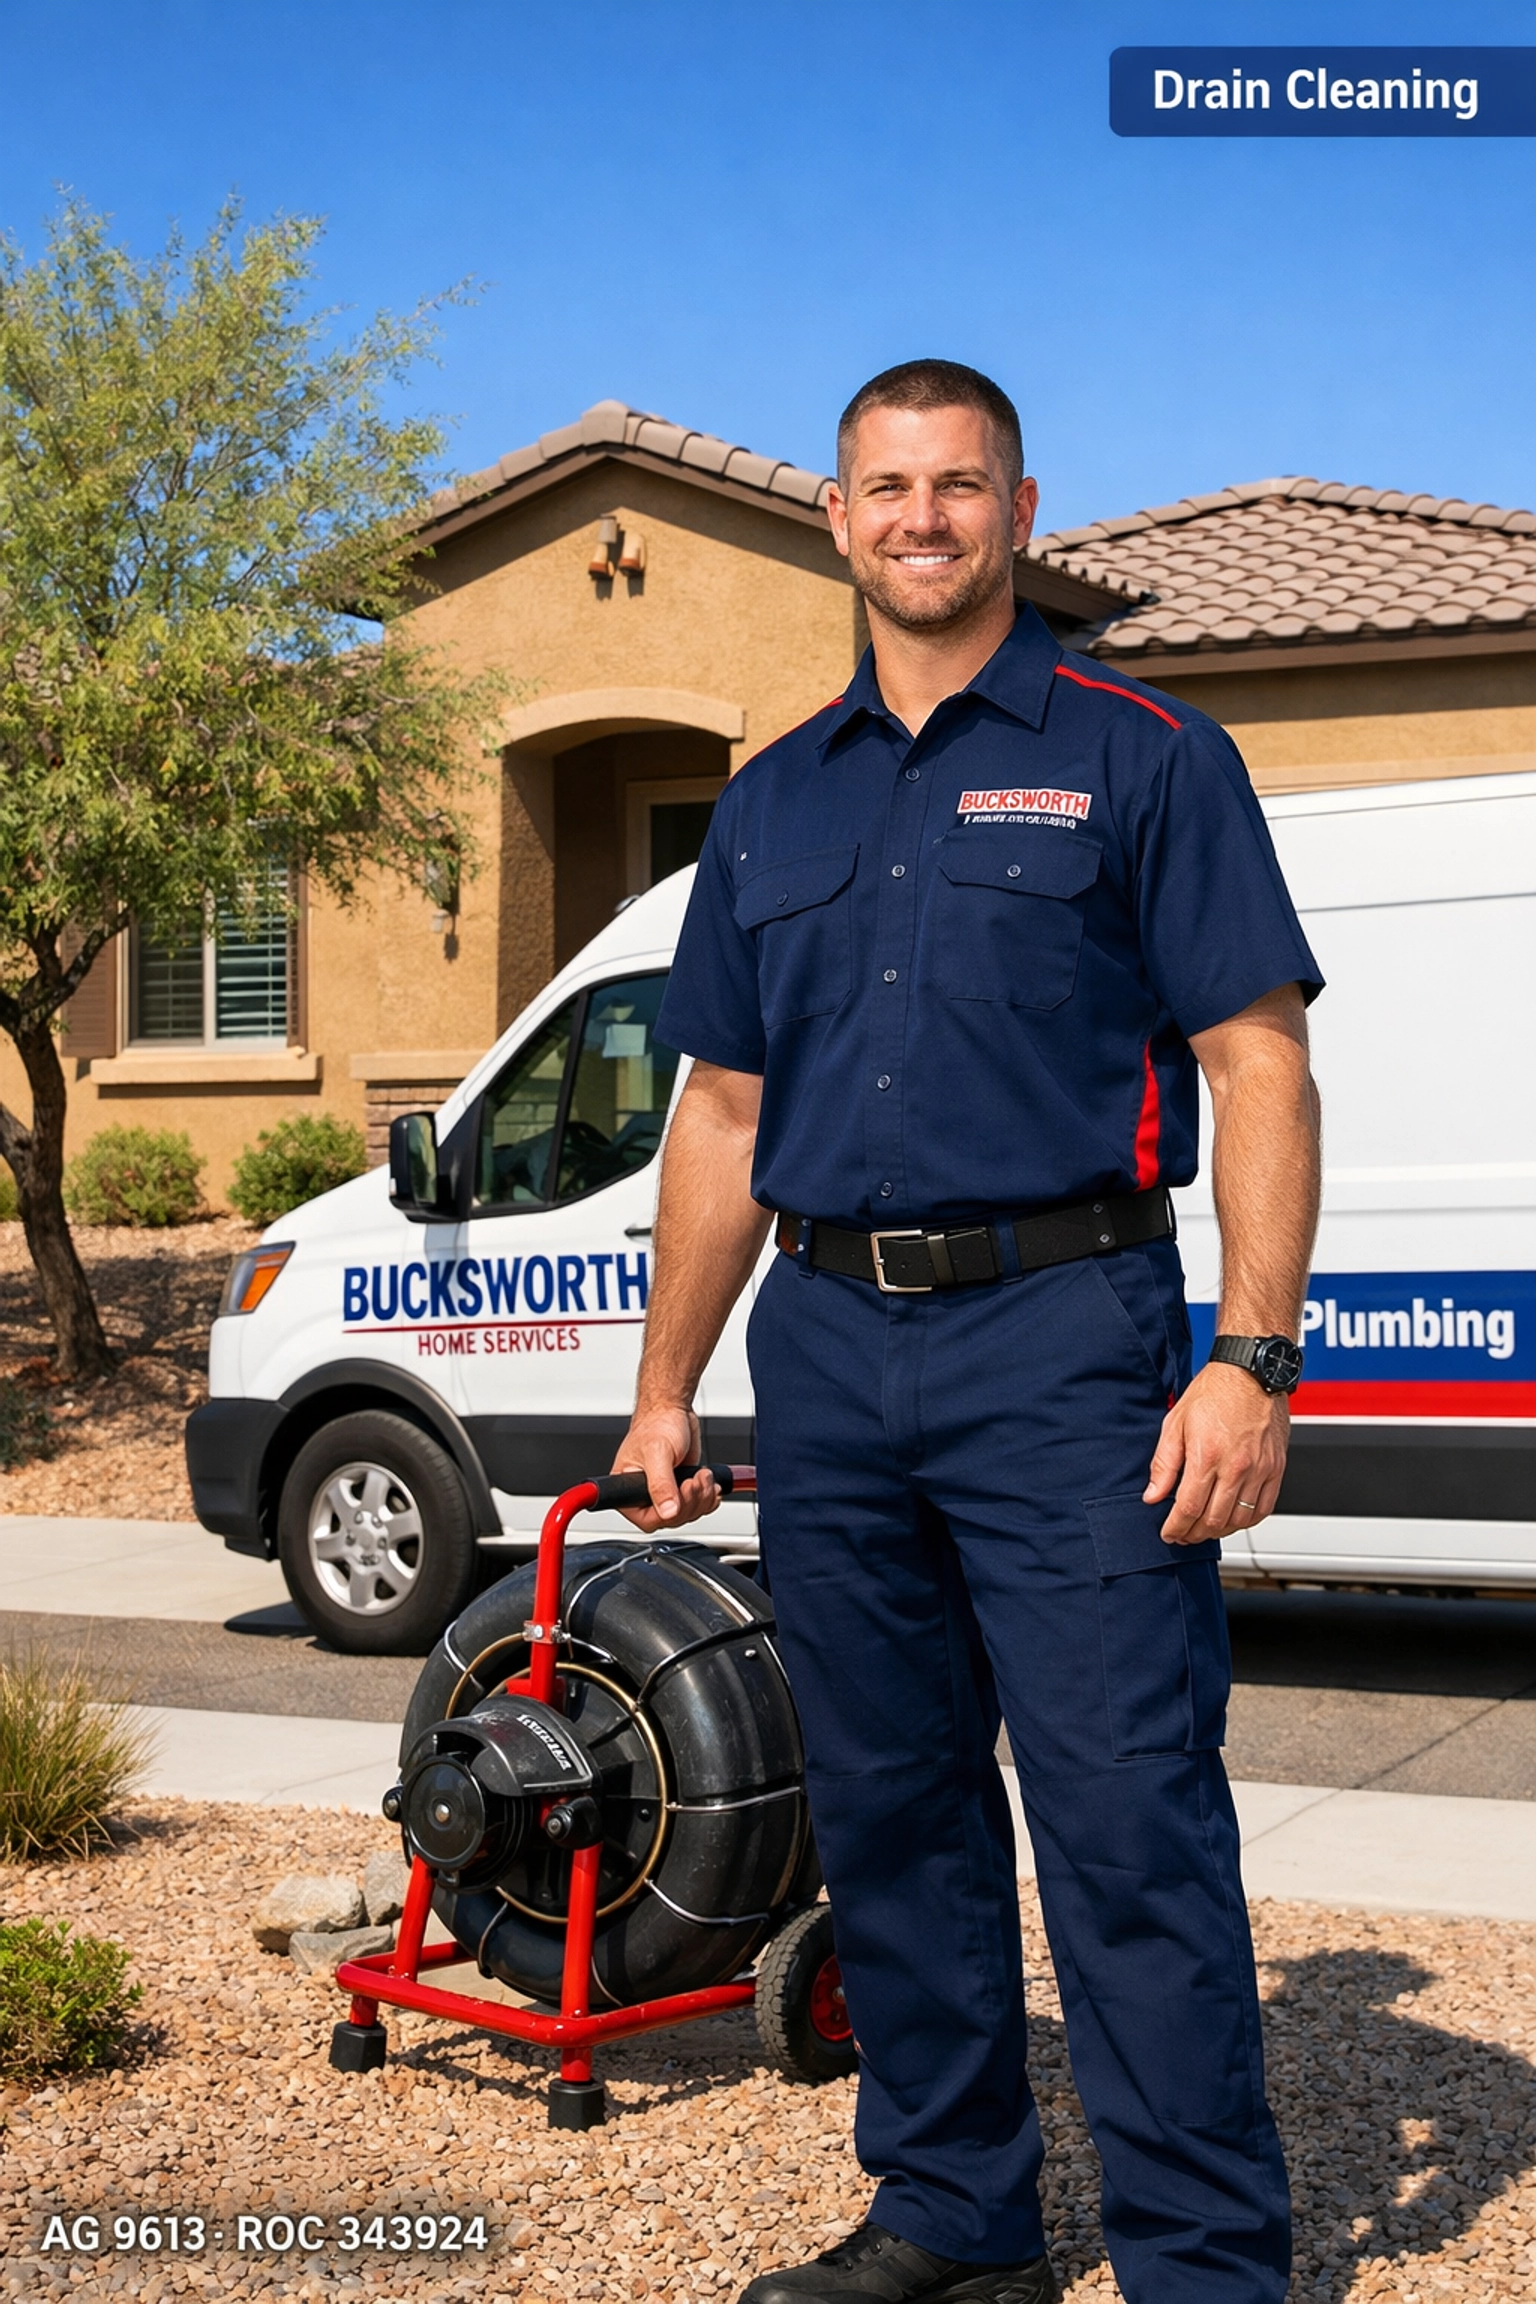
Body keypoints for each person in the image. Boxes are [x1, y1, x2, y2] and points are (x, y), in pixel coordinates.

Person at [612, 359, 1323, 2304]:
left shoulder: (1144, 761)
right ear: (836, 520)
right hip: (831, 1358)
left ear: (1023, 511)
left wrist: (1250, 1359)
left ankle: (1202, 2263)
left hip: (1072, 1347)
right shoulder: (767, 808)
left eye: (960, 484)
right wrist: (669, 1383)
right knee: (894, 1814)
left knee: (1125, 1824)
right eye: (887, 487)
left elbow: (1261, 1068)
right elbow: (728, 1122)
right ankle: (951, 2216)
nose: (921, 517)